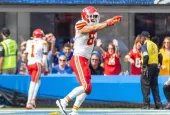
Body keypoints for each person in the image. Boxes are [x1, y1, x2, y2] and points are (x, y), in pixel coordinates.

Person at [55, 6, 122, 115]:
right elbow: (91, 28)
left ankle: (74, 111)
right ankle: (63, 101)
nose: (93, 19)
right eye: (91, 16)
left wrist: (110, 21)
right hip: (78, 58)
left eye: (95, 16)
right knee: (86, 86)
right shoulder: (80, 24)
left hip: (85, 59)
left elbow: (95, 27)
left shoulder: (93, 26)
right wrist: (107, 23)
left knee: (87, 88)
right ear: (85, 16)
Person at [25, 28, 48, 109]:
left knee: (38, 81)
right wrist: (46, 67)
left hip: (29, 63)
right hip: (37, 63)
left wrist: (26, 64)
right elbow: (45, 57)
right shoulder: (44, 42)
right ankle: (29, 102)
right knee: (33, 83)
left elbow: (26, 54)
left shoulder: (28, 42)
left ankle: (33, 100)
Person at [140, 31, 162, 109]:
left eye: (141, 37)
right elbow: (160, 56)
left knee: (145, 85)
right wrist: (159, 65)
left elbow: (145, 56)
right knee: (154, 86)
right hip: (155, 67)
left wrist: (144, 67)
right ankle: (158, 105)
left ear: (144, 37)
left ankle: (146, 105)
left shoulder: (145, 45)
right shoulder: (155, 45)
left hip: (148, 66)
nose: (140, 39)